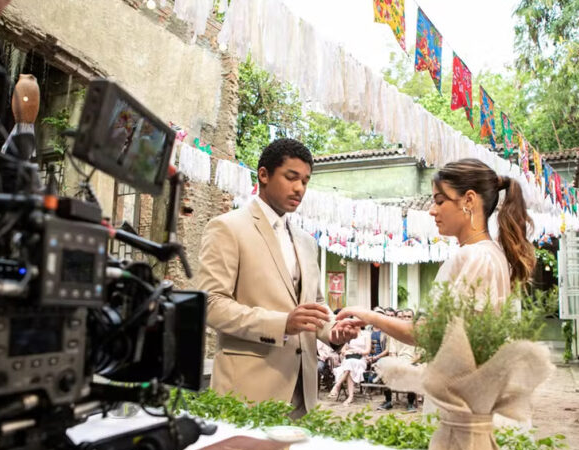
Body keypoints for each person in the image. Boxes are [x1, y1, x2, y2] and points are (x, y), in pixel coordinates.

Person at [197, 138, 358, 418]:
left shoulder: (307, 242)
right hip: (247, 390)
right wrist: (282, 324)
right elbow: (210, 303)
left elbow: (315, 303)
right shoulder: (227, 227)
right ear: (263, 175)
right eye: (291, 177)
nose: (299, 188)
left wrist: (333, 332)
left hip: (303, 392)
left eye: (306, 181)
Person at [336, 158, 536, 346]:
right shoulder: (492, 254)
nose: (432, 210)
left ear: (469, 200)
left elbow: (428, 333)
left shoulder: (472, 256)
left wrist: (368, 315)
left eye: (440, 201)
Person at [328, 325, 371, 405]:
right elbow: (343, 350)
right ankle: (350, 397)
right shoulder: (349, 334)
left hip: (360, 359)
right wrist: (347, 352)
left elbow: (367, 351)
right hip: (349, 359)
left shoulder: (366, 334)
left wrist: (358, 351)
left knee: (349, 365)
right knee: (350, 366)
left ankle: (337, 385)